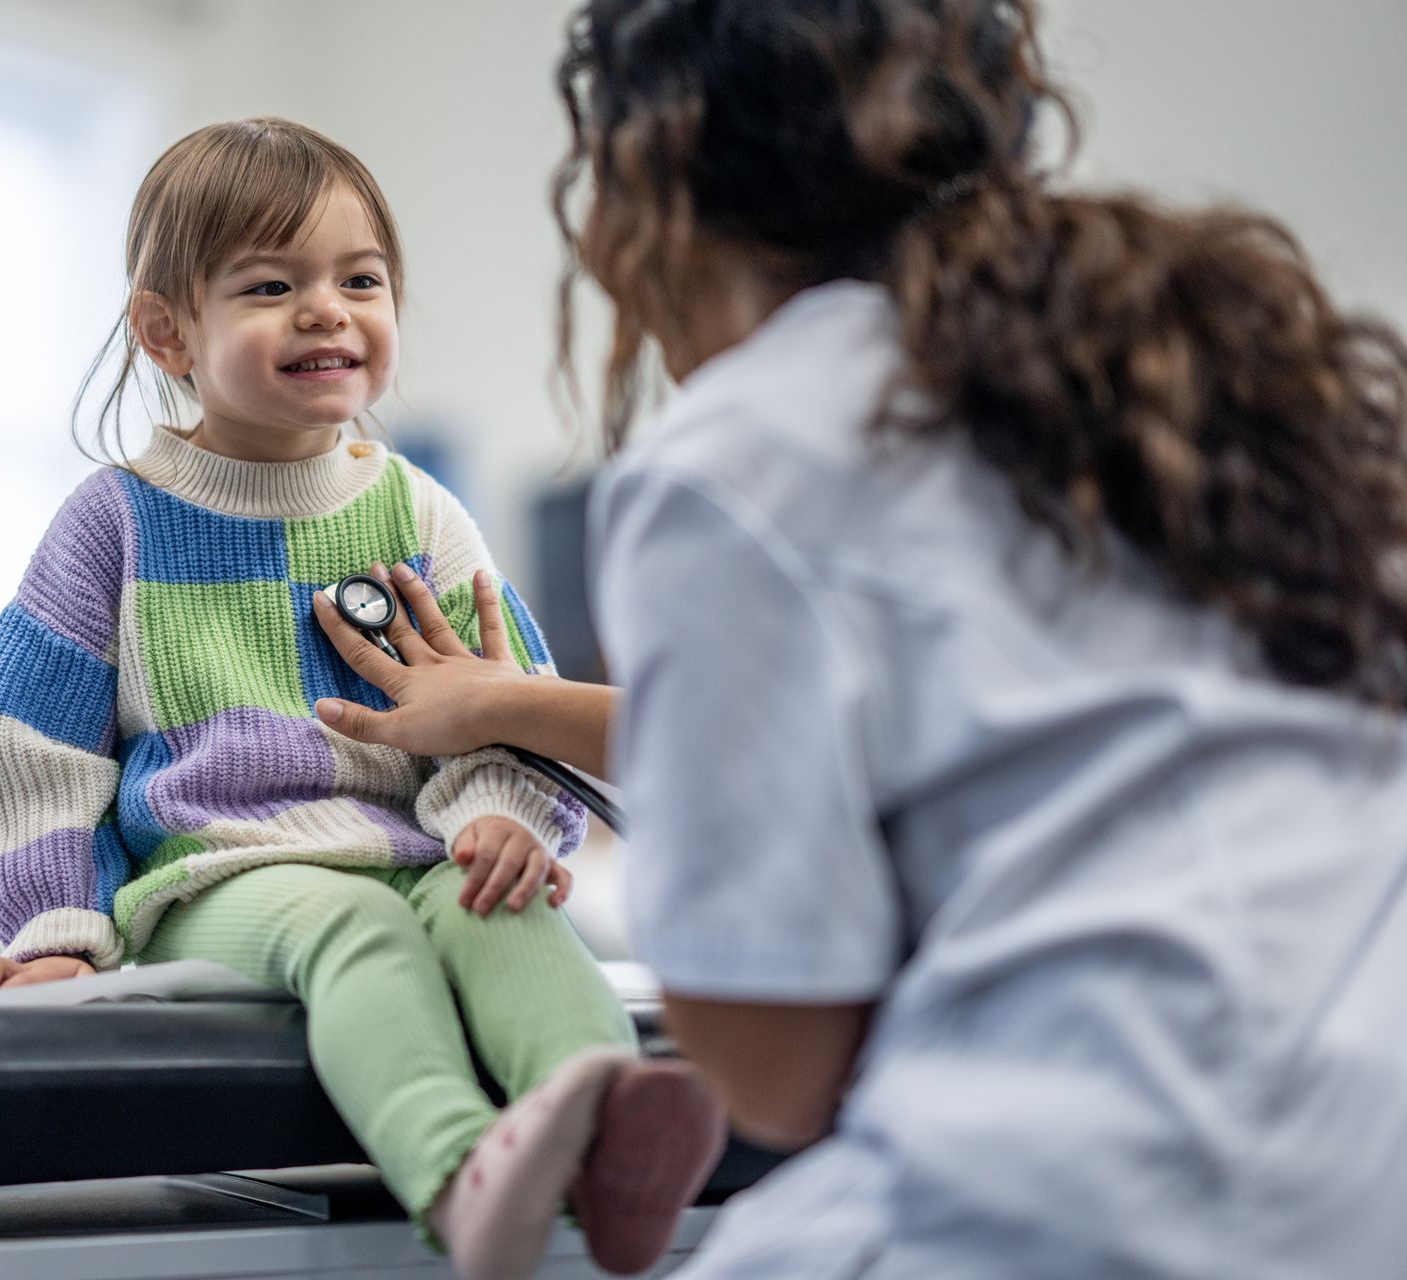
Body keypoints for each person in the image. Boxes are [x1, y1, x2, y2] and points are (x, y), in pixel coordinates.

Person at [312, 2, 1407, 1275]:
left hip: (1100, 1196)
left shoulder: (739, 453)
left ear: (645, 189)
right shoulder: (1193, 379)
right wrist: (510, 707)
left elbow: (775, 1064)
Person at [0, 117, 725, 1280]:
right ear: (167, 331)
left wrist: (497, 816)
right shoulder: (113, 523)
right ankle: (462, 1176)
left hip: (407, 847)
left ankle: (605, 1124)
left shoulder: (418, 509)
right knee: (349, 923)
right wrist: (61, 929)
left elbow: (506, 686)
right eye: (272, 285)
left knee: (500, 906)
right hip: (222, 872)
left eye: (360, 279)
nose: (327, 308)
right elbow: (29, 749)